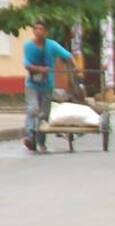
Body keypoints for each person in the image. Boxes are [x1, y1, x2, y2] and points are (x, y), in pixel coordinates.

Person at [22, 20, 77, 153]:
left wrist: (72, 67)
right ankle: (29, 136)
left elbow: (67, 56)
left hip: (47, 85)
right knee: (33, 108)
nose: (39, 32)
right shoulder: (28, 46)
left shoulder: (52, 45)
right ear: (34, 31)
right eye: (36, 29)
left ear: (45, 32)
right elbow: (27, 64)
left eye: (41, 29)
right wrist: (40, 69)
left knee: (44, 115)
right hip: (32, 84)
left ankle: (40, 141)